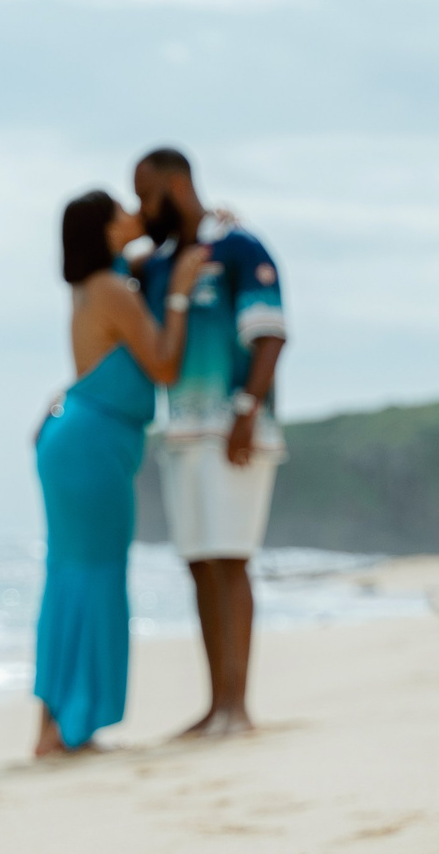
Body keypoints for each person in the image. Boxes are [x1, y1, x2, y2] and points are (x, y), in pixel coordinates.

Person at [30, 191, 208, 758]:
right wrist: (178, 296)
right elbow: (160, 363)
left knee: (71, 577)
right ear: (106, 230)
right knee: (92, 575)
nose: (135, 214)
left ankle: (56, 726)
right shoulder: (110, 288)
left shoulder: (98, 281)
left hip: (79, 437)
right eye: (123, 212)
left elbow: (150, 258)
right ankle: (68, 727)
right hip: (92, 443)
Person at [133, 147, 288, 739]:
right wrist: (133, 233)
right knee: (200, 565)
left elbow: (270, 335)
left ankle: (238, 706)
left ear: (174, 184)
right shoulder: (159, 267)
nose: (141, 207)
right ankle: (215, 702)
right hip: (182, 433)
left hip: (234, 429)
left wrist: (246, 410)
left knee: (231, 560)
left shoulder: (239, 249)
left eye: (145, 193)